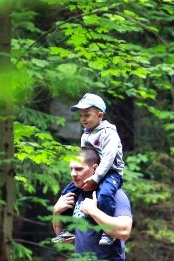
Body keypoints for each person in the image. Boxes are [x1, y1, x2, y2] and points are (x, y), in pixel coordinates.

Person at [52, 93, 125, 247]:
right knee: (67, 192)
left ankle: (107, 231)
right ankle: (67, 230)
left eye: (87, 115)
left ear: (100, 115)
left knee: (105, 193)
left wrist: (96, 177)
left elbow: (108, 158)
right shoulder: (86, 134)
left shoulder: (108, 133)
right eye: (80, 116)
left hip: (110, 173)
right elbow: (87, 157)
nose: (83, 119)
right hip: (94, 171)